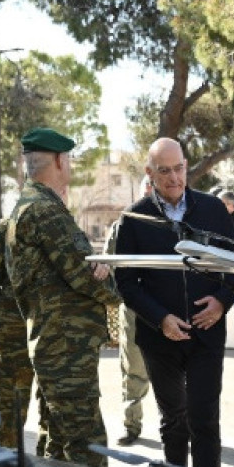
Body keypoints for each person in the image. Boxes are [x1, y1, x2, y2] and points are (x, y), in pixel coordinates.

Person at [114, 138, 234, 467]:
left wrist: (221, 302)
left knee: (205, 419)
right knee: (174, 421)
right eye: (164, 171)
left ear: (186, 166)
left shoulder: (213, 209)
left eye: (179, 168)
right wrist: (161, 319)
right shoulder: (134, 218)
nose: (174, 178)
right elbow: (125, 282)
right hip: (159, 338)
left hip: (207, 334)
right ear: (149, 173)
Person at [4, 127, 120, 467]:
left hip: (54, 343)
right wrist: (115, 287)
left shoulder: (28, 206)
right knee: (87, 448)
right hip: (66, 348)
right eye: (68, 158)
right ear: (58, 160)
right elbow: (85, 273)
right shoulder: (46, 211)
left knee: (56, 445)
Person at [0, 215, 39, 450]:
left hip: (53, 336)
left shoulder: (59, 225)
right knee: (12, 408)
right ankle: (1, 462)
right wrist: (2, 316)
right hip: (15, 335)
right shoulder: (7, 228)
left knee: (55, 410)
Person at [103, 183, 151, 446]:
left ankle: (180, 428)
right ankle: (131, 425)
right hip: (134, 309)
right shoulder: (123, 224)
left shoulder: (178, 225)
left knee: (177, 374)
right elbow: (109, 264)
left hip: (171, 308)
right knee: (133, 370)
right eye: (147, 190)